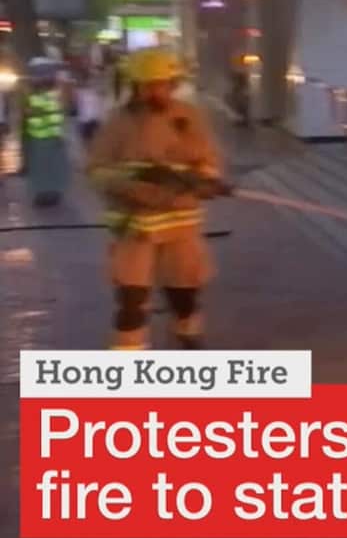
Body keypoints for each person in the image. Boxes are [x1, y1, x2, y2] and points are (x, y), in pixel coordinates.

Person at [86, 47, 226, 350]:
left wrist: (205, 179)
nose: (156, 91)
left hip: (180, 223)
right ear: (135, 86)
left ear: (173, 84)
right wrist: (134, 179)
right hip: (135, 224)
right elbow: (96, 170)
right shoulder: (118, 123)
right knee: (131, 296)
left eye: (162, 84)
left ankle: (187, 330)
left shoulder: (187, 117)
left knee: (184, 289)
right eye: (149, 85)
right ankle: (127, 353)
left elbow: (207, 158)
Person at [20, 57, 72, 207]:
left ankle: (49, 192)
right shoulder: (40, 92)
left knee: (46, 166)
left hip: (46, 136)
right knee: (45, 166)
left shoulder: (46, 92)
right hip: (43, 136)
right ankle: (46, 192)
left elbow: (54, 112)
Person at [74, 70, 105, 144]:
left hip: (88, 121)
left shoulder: (80, 92)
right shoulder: (93, 92)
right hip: (91, 120)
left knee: (90, 141)